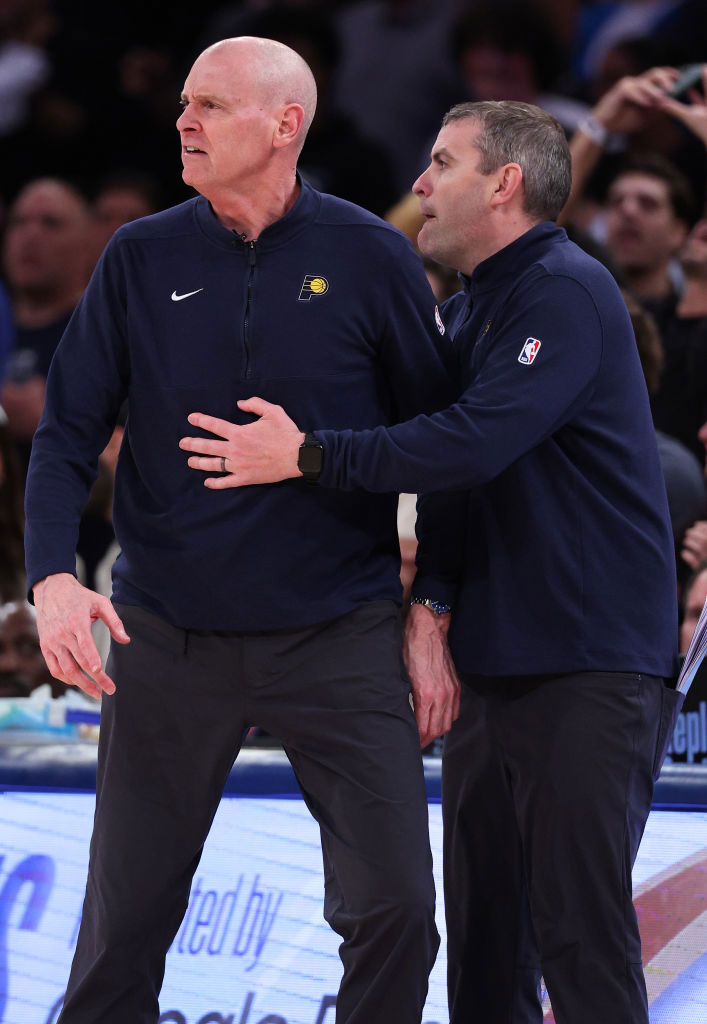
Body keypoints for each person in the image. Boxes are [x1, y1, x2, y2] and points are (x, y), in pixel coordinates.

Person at [196, 100, 681, 1024]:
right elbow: (459, 490)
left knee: (579, 935)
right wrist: (436, 609)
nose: (419, 185)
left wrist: (307, 454)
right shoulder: (470, 309)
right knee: (486, 938)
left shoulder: (565, 291)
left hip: (587, 660)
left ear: (504, 184)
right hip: (497, 662)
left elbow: (471, 445)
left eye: (442, 164)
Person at [24, 34, 456, 1024]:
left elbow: (445, 449)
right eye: (183, 101)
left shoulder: (370, 254)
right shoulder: (140, 254)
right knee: (123, 929)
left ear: (283, 124)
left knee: (396, 906)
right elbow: (63, 438)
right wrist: (52, 574)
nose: (183, 120)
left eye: (211, 105)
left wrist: (432, 607)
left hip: (335, 630)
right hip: (167, 629)